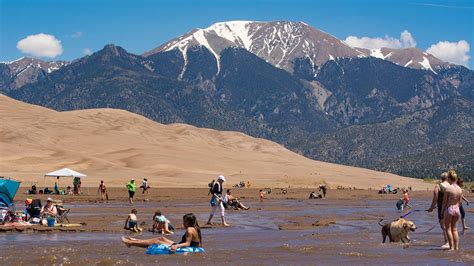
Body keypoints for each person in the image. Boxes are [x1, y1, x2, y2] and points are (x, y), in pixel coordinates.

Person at [122, 213, 202, 251]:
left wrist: (176, 246)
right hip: (183, 245)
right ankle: (135, 240)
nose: (183, 223)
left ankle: (131, 243)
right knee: (161, 238)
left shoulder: (189, 229)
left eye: (184, 222)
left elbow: (187, 244)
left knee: (157, 241)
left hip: (185, 247)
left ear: (188, 222)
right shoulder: (195, 228)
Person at [427, 172, 450, 249]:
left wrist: (431, 208)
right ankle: (453, 243)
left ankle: (447, 242)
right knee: (452, 226)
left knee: (443, 226)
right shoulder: (451, 185)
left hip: (442, 208)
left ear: (441, 178)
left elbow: (435, 198)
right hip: (453, 208)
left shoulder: (438, 186)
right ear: (447, 178)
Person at [441, 169, 462, 250]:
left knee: (448, 229)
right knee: (455, 229)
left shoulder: (448, 188)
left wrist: (442, 212)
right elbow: (460, 202)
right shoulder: (460, 189)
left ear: (449, 178)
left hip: (450, 209)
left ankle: (451, 247)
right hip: (457, 210)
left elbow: (444, 202)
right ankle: (456, 247)